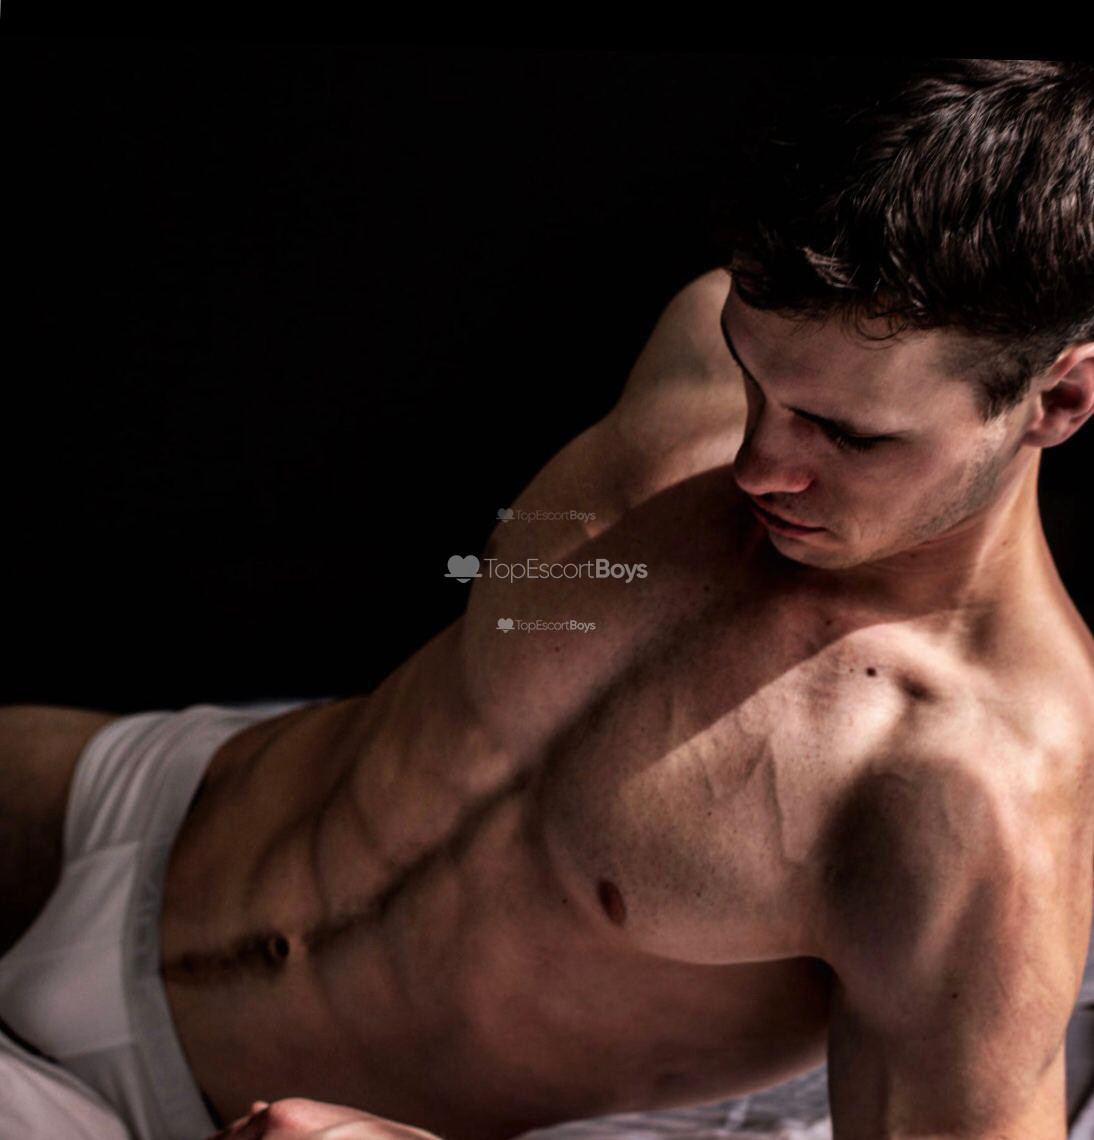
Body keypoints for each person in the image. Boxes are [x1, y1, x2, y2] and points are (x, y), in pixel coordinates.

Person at [1, 56, 1093, 1140]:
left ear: (1059, 396)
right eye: (753, 378)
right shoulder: (719, 333)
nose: (757, 463)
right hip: (145, 814)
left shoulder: (979, 799)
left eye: (847, 436)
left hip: (240, 1116)